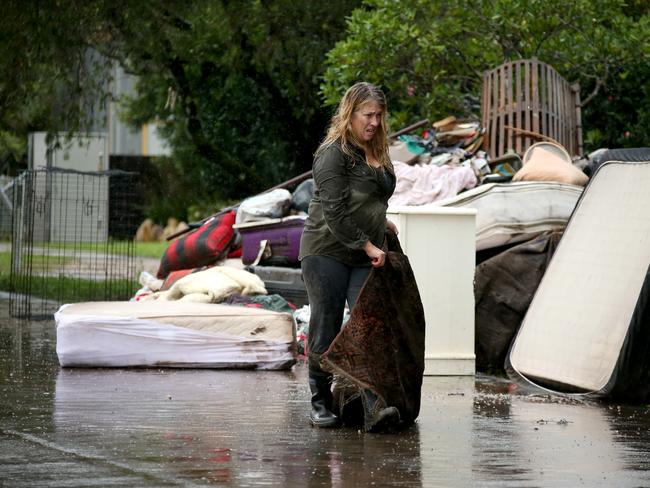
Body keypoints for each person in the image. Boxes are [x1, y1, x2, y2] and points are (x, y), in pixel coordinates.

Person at [299, 82, 398, 428]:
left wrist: (383, 225)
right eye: (368, 115)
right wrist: (369, 244)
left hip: (364, 253)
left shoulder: (378, 151)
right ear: (350, 113)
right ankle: (320, 402)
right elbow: (335, 211)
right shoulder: (333, 153)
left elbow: (369, 199)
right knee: (326, 324)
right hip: (326, 251)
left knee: (368, 326)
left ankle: (374, 406)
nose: (374, 122)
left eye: (379, 115)